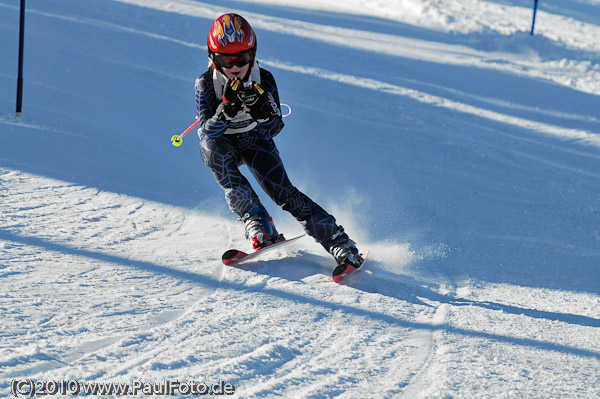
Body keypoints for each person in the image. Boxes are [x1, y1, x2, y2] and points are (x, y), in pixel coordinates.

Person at [195, 13, 363, 272]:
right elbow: (207, 131)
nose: (235, 66)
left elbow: (276, 126)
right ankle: (256, 219)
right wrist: (226, 110)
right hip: (224, 144)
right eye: (226, 59)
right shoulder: (206, 83)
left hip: (255, 139)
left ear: (253, 54)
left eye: (242, 57)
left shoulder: (264, 79)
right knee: (211, 150)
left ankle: (339, 242)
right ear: (212, 57)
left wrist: (263, 112)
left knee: (283, 192)